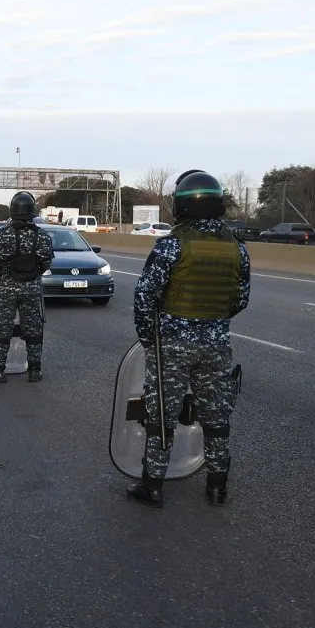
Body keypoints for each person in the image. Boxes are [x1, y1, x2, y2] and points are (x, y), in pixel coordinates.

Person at [125, 170, 251, 508]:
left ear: (181, 205)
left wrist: (151, 339)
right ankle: (217, 486)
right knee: (216, 417)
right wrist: (212, 324)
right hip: (216, 344)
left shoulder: (172, 245)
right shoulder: (236, 247)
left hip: (172, 344)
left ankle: (152, 486)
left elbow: (144, 297)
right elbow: (241, 299)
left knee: (161, 417)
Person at [0, 191, 54, 382]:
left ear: (12, 211)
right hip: (31, 288)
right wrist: (34, 274)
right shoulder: (43, 236)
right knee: (33, 330)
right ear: (33, 212)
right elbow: (46, 263)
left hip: (6, 288)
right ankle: (34, 372)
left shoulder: (2, 234)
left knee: (2, 329)